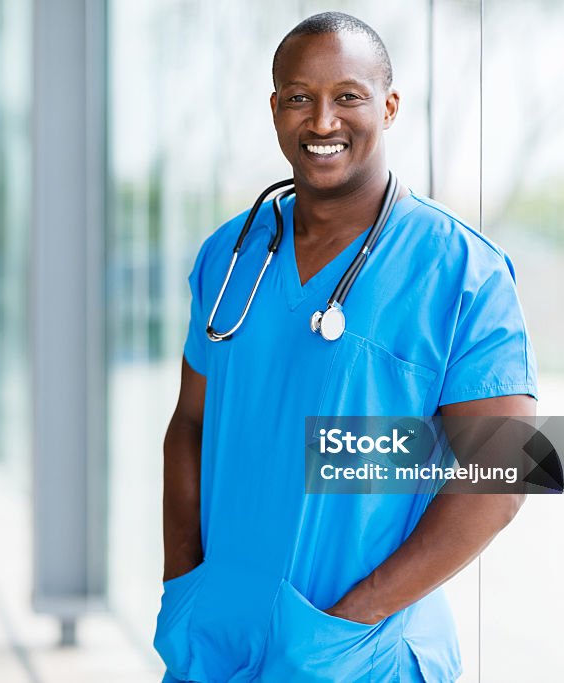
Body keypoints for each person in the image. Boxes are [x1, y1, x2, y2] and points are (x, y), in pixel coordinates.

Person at [155, 11, 538, 683]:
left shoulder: (460, 271)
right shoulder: (229, 255)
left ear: (388, 106)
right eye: (300, 97)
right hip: (216, 646)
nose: (322, 120)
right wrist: (184, 580)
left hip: (362, 655)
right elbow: (190, 424)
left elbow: (500, 479)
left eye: (348, 96)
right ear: (275, 109)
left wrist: (348, 624)